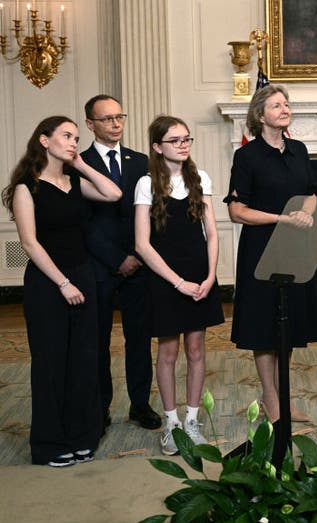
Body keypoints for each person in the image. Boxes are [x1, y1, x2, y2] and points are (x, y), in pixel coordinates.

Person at [2, 116, 121, 466]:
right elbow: (29, 243)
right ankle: (50, 443)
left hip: (82, 275)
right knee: (52, 363)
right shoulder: (27, 187)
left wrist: (81, 163)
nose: (73, 142)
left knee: (83, 360)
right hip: (48, 282)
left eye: (75, 137)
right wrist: (62, 283)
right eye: (66, 136)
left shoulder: (73, 180)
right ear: (44, 140)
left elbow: (113, 193)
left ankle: (82, 436)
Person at [224, 84, 317, 422]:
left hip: (295, 247)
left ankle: (284, 395)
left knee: (290, 324)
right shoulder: (246, 156)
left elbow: (310, 193)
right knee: (263, 326)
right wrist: (283, 218)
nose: (285, 109)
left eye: (286, 104)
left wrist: (307, 212)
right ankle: (270, 396)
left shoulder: (299, 149)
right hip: (261, 249)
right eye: (277, 105)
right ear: (260, 114)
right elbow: (237, 211)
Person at [134, 116, 224, 454]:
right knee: (168, 351)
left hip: (200, 273)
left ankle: (192, 419)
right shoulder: (146, 184)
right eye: (175, 140)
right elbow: (142, 245)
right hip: (165, 277)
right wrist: (178, 283)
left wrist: (211, 275)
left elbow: (212, 234)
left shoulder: (200, 178)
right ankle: (171, 422)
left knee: (197, 350)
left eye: (187, 139)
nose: (183, 144)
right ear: (158, 147)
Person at [81, 95, 161, 431]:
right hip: (98, 266)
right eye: (107, 119)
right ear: (90, 125)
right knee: (97, 341)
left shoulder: (140, 161)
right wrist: (117, 259)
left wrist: (137, 256)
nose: (116, 124)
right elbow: (82, 222)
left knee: (139, 339)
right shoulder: (77, 162)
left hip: (138, 264)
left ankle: (140, 405)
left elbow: (151, 214)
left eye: (120, 117)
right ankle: (100, 409)